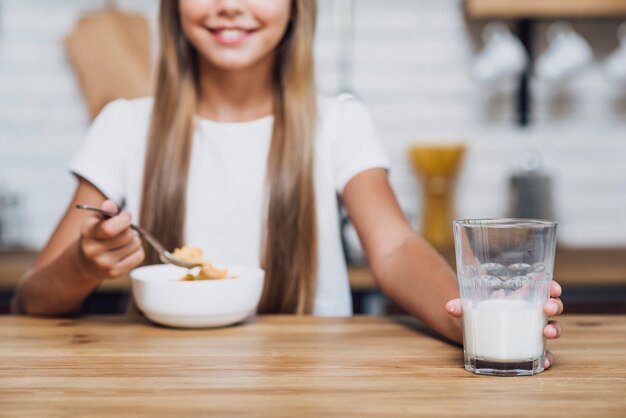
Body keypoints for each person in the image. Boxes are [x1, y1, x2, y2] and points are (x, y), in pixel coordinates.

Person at [12, 0, 563, 367]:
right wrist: (84, 264)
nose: (230, 5)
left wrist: (472, 312)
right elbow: (32, 299)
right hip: (159, 380)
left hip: (316, 381)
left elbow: (394, 248)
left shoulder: (339, 122)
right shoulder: (125, 125)